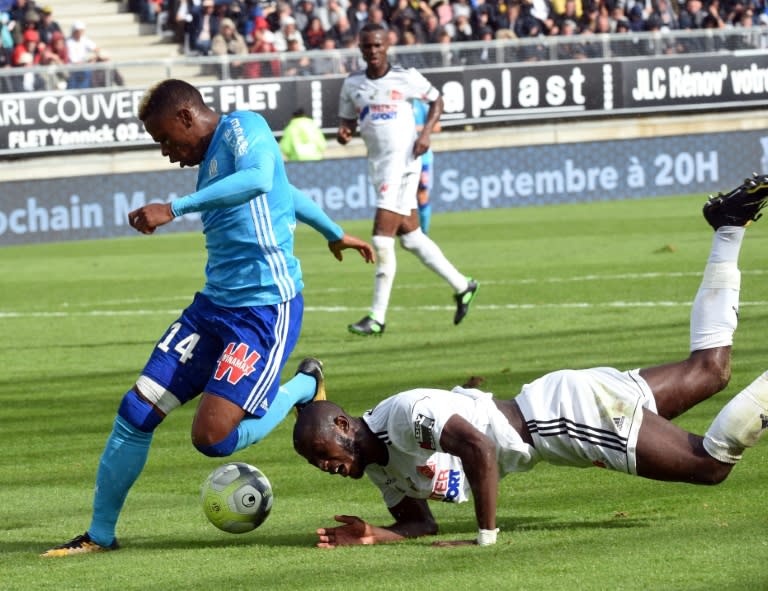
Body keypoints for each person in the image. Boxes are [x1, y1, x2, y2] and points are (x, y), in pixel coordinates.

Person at [293, 177, 768, 547]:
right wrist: (377, 533)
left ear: (342, 424)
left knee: (710, 465)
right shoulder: (378, 465)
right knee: (711, 370)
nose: (322, 465)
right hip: (560, 402)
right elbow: (420, 523)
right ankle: (728, 225)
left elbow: (477, 447)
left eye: (321, 452)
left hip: (561, 421)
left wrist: (485, 537)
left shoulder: (402, 415)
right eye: (315, 461)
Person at [41, 78, 375, 557]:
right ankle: (99, 534)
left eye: (165, 140)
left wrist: (173, 208)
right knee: (135, 413)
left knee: (212, 439)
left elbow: (263, 179)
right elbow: (284, 189)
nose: (166, 152)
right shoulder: (210, 166)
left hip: (263, 311)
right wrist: (334, 232)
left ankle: (304, 384)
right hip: (211, 309)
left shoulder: (243, 127)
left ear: (185, 117)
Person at [338, 23, 478, 337]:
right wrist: (344, 132)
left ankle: (377, 317)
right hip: (378, 167)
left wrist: (426, 133)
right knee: (411, 237)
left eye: (377, 46)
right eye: (367, 47)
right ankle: (463, 285)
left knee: (381, 238)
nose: (372, 52)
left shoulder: (406, 77)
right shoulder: (353, 84)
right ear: (360, 49)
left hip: (403, 165)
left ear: (386, 45)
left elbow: (437, 100)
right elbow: (347, 120)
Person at [411, 98, 438, 235]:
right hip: (402, 158)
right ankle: (410, 232)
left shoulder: (419, 104)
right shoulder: (395, 103)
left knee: (422, 193)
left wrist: (415, 128)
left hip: (423, 157)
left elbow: (437, 126)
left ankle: (424, 234)